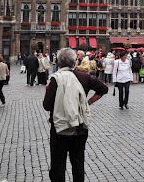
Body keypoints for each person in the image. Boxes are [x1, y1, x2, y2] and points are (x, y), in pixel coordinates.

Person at [43, 47, 108, 182]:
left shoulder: (56, 79)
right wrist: (87, 102)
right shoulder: (83, 77)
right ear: (74, 62)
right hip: (80, 127)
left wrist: (47, 91)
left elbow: (47, 105)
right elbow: (103, 88)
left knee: (58, 164)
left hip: (60, 128)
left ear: (58, 63)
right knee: (78, 163)